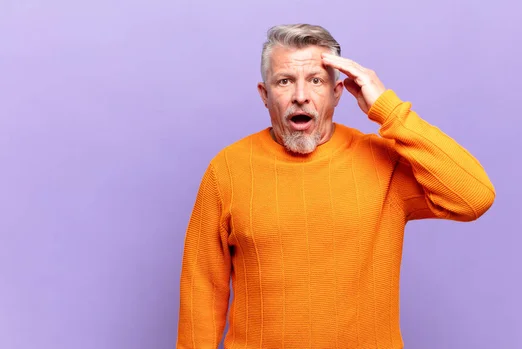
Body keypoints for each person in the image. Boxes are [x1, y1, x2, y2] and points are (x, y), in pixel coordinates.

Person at [175, 23, 495, 349]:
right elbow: (203, 287)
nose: (301, 96)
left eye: (315, 81)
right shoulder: (227, 169)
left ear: (337, 93)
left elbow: (474, 197)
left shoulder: (383, 163)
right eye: (285, 81)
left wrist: (388, 109)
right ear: (265, 95)